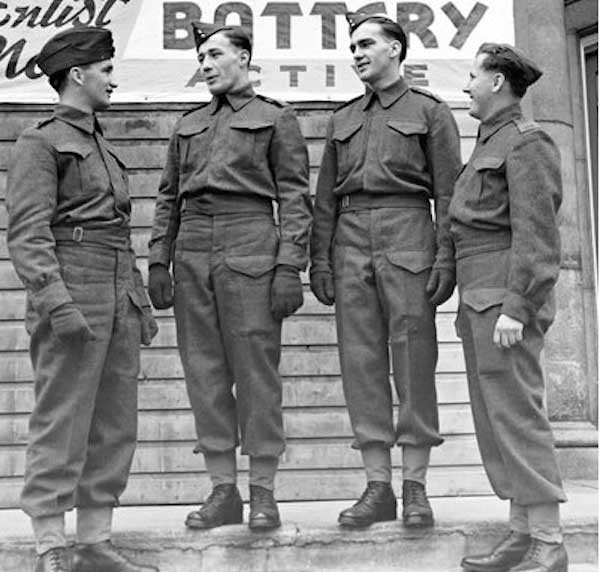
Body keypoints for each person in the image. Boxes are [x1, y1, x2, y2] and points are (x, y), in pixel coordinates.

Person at [148, 22, 312, 531]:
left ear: (244, 58)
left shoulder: (275, 118)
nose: (207, 64)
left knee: (256, 373)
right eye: (201, 57)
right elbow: (167, 197)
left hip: (250, 242)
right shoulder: (188, 123)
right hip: (193, 247)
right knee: (204, 374)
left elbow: (294, 198)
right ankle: (224, 490)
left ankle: (263, 490)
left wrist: (290, 264)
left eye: (216, 54)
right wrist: (159, 259)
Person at [6, 27, 158, 572]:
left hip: (116, 287)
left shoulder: (103, 146)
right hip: (72, 285)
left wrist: (136, 301)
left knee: (116, 421)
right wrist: (57, 302)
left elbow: (118, 232)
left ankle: (94, 542)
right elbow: (27, 234)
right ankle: (50, 544)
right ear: (78, 74)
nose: (114, 80)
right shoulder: (39, 143)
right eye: (107, 70)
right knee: (62, 416)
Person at [310, 12, 461, 529]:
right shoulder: (342, 118)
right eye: (352, 46)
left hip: (408, 231)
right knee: (361, 362)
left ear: (395, 50)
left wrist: (446, 256)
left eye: (366, 44)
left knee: (414, 357)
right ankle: (378, 486)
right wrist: (320, 260)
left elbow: (449, 193)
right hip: (350, 237)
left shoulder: (431, 112)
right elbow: (324, 198)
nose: (355, 53)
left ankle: (415, 486)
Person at [450, 43, 567, 572]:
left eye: (473, 77)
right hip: (480, 296)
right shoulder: (487, 144)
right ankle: (521, 534)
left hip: (504, 298)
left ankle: (548, 541)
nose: (466, 86)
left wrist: (517, 307)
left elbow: (538, 237)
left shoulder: (526, 142)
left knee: (518, 417)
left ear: (497, 82)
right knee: (495, 420)